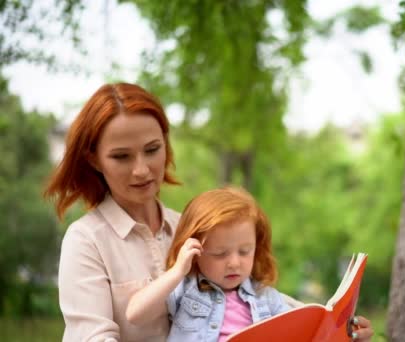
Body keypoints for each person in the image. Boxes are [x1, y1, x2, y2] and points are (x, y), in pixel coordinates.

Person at [45, 82, 374, 341]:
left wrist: (336, 327)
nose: (142, 170)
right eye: (121, 157)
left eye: (152, 150)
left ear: (166, 143)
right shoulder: (87, 239)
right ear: (93, 159)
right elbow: (92, 338)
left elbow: (260, 299)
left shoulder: (193, 226)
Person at [127, 186, 290, 341]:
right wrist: (177, 271)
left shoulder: (266, 297)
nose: (234, 263)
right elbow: (135, 315)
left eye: (244, 251)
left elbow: (298, 331)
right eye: (220, 254)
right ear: (196, 253)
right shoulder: (187, 289)